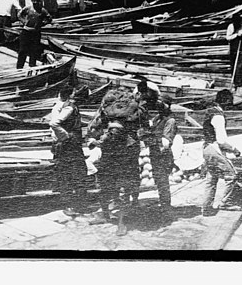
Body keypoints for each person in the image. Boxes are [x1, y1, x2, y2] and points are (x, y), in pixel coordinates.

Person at [86, 83, 148, 236]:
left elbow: (115, 132)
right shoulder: (123, 111)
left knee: (120, 187)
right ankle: (109, 216)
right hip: (117, 152)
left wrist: (97, 141)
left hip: (121, 153)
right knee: (110, 185)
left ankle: (122, 223)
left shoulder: (124, 114)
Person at [201, 89, 242, 216]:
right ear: (225, 101)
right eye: (230, 102)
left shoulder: (209, 112)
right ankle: (226, 202)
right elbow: (221, 140)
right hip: (214, 148)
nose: (231, 105)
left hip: (206, 147)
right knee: (232, 175)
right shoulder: (218, 116)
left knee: (212, 177)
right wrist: (234, 150)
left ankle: (206, 207)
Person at [49, 85, 87, 217]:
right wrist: (65, 135)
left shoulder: (64, 106)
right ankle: (70, 204)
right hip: (70, 146)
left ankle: (77, 204)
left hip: (71, 145)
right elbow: (54, 124)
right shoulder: (69, 108)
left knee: (73, 172)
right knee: (72, 172)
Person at [144, 93, 179, 220]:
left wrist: (150, 138)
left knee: (163, 182)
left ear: (167, 105)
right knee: (159, 180)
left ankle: (166, 209)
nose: (158, 104)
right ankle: (164, 207)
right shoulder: (158, 118)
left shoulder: (170, 120)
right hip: (155, 153)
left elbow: (165, 143)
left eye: (161, 102)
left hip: (163, 155)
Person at [16, 0, 52, 69]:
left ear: (39, 2)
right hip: (26, 31)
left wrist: (42, 24)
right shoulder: (28, 8)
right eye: (34, 1)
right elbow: (19, 14)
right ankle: (19, 67)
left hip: (35, 32)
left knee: (34, 50)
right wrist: (24, 21)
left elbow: (49, 18)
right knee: (23, 50)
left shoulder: (42, 10)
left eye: (37, 1)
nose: (35, 2)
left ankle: (32, 65)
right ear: (32, 1)